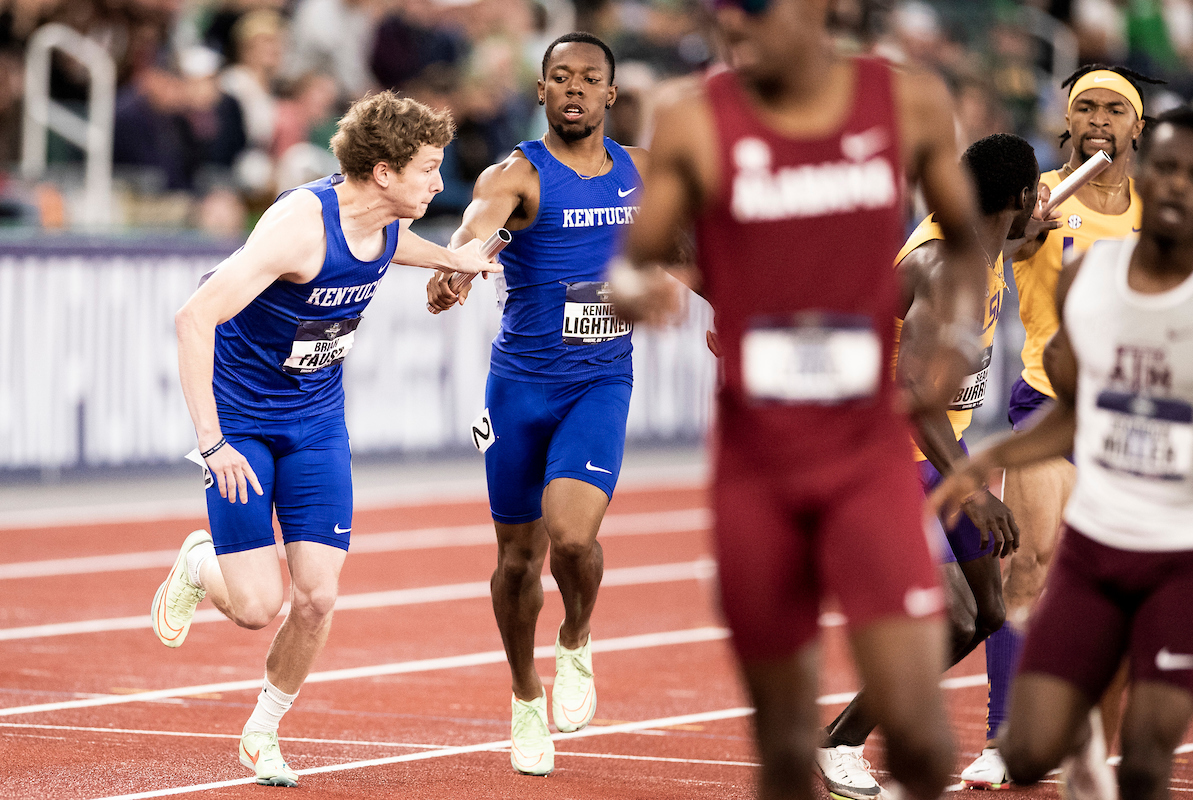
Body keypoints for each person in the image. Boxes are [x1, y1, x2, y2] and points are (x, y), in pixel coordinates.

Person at [608, 1, 990, 798]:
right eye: (719, 11)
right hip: (758, 466)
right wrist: (637, 290)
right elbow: (635, 259)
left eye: (752, 8)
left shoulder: (908, 100)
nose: (731, 24)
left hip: (867, 456)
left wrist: (953, 337)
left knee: (921, 742)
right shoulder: (692, 119)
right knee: (783, 753)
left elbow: (963, 241)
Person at [150, 91, 498, 787]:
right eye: (429, 169)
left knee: (317, 598)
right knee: (256, 607)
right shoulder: (298, 227)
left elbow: (396, 244)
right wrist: (214, 446)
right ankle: (198, 566)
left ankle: (263, 730)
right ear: (383, 174)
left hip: (315, 422)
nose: (439, 182)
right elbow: (194, 318)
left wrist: (453, 262)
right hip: (242, 420)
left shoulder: (387, 222)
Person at [932, 106, 1193, 800]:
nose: (1175, 186)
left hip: (1176, 540)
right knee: (1030, 751)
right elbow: (988, 252)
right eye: (1169, 170)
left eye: (1191, 175)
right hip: (1064, 444)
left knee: (1146, 758)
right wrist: (973, 464)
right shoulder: (1059, 228)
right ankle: (1010, 736)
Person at [425, 32, 647, 777]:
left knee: (573, 541)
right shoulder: (518, 175)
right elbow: (472, 231)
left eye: (589, 78)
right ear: (542, 92)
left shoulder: (637, 176)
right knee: (519, 560)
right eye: (560, 78)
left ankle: (577, 639)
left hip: (600, 382)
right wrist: (456, 272)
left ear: (611, 95)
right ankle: (525, 698)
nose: (575, 88)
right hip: (519, 388)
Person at [815, 133, 1039, 800]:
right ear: (1021, 198)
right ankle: (838, 744)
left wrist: (1037, 217)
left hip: (939, 449)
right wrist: (973, 493)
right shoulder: (945, 266)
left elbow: (1019, 239)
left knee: (988, 614)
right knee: (956, 617)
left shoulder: (985, 239)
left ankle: (841, 739)